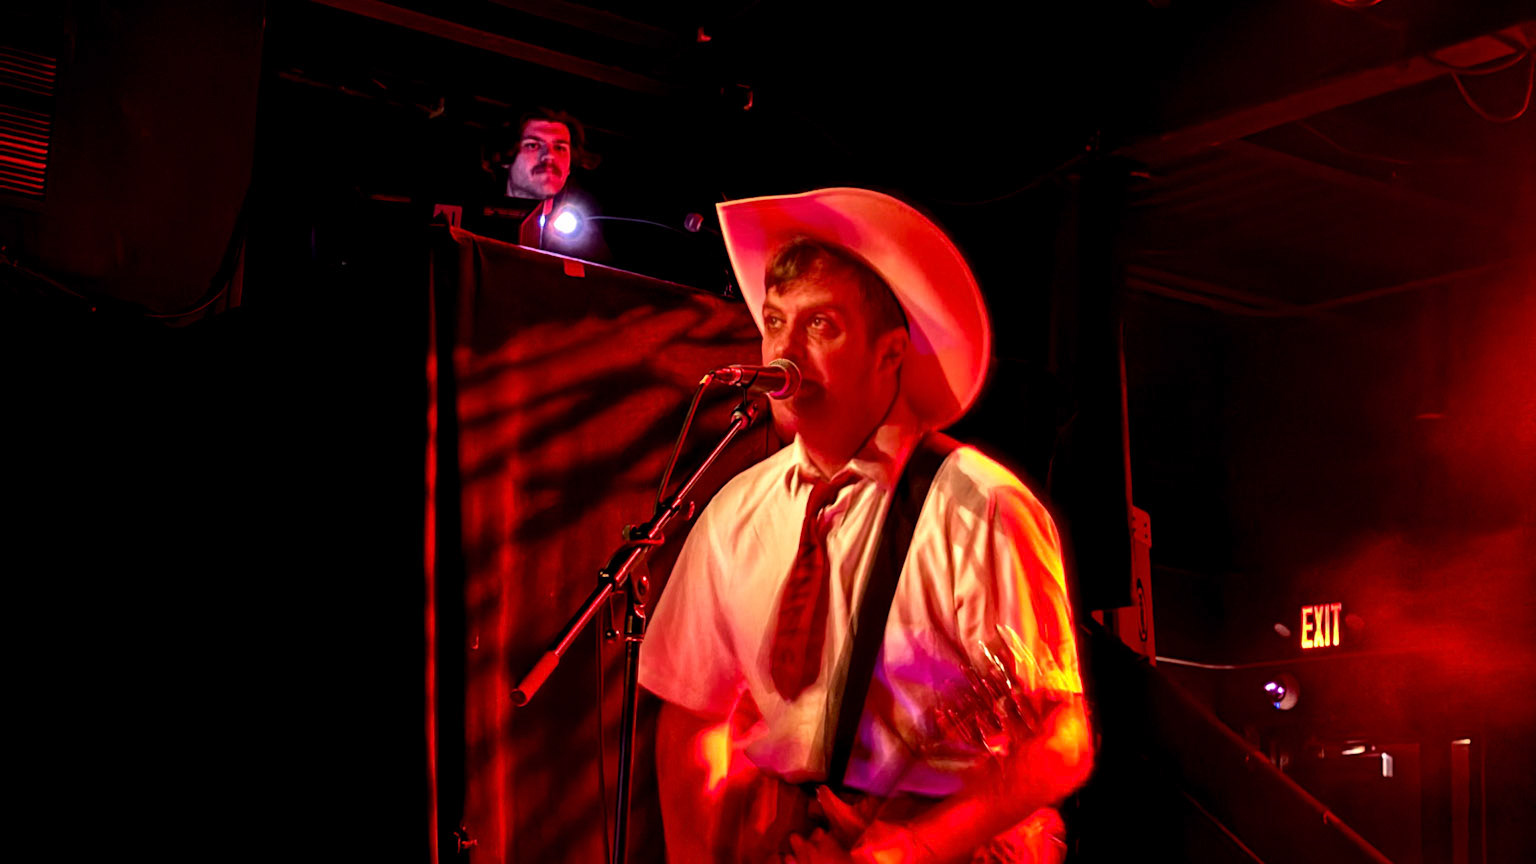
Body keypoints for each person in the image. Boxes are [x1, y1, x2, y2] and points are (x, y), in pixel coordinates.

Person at [638, 188, 1093, 864]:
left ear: (889, 353)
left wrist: (913, 847)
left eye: (821, 325)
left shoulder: (982, 507)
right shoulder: (735, 510)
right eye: (774, 321)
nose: (784, 350)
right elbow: (690, 713)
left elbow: (1062, 743)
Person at [469, 108, 607, 259]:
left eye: (560, 148)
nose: (549, 156)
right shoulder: (470, 218)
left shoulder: (588, 244)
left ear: (569, 166)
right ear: (504, 155)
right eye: (533, 145)